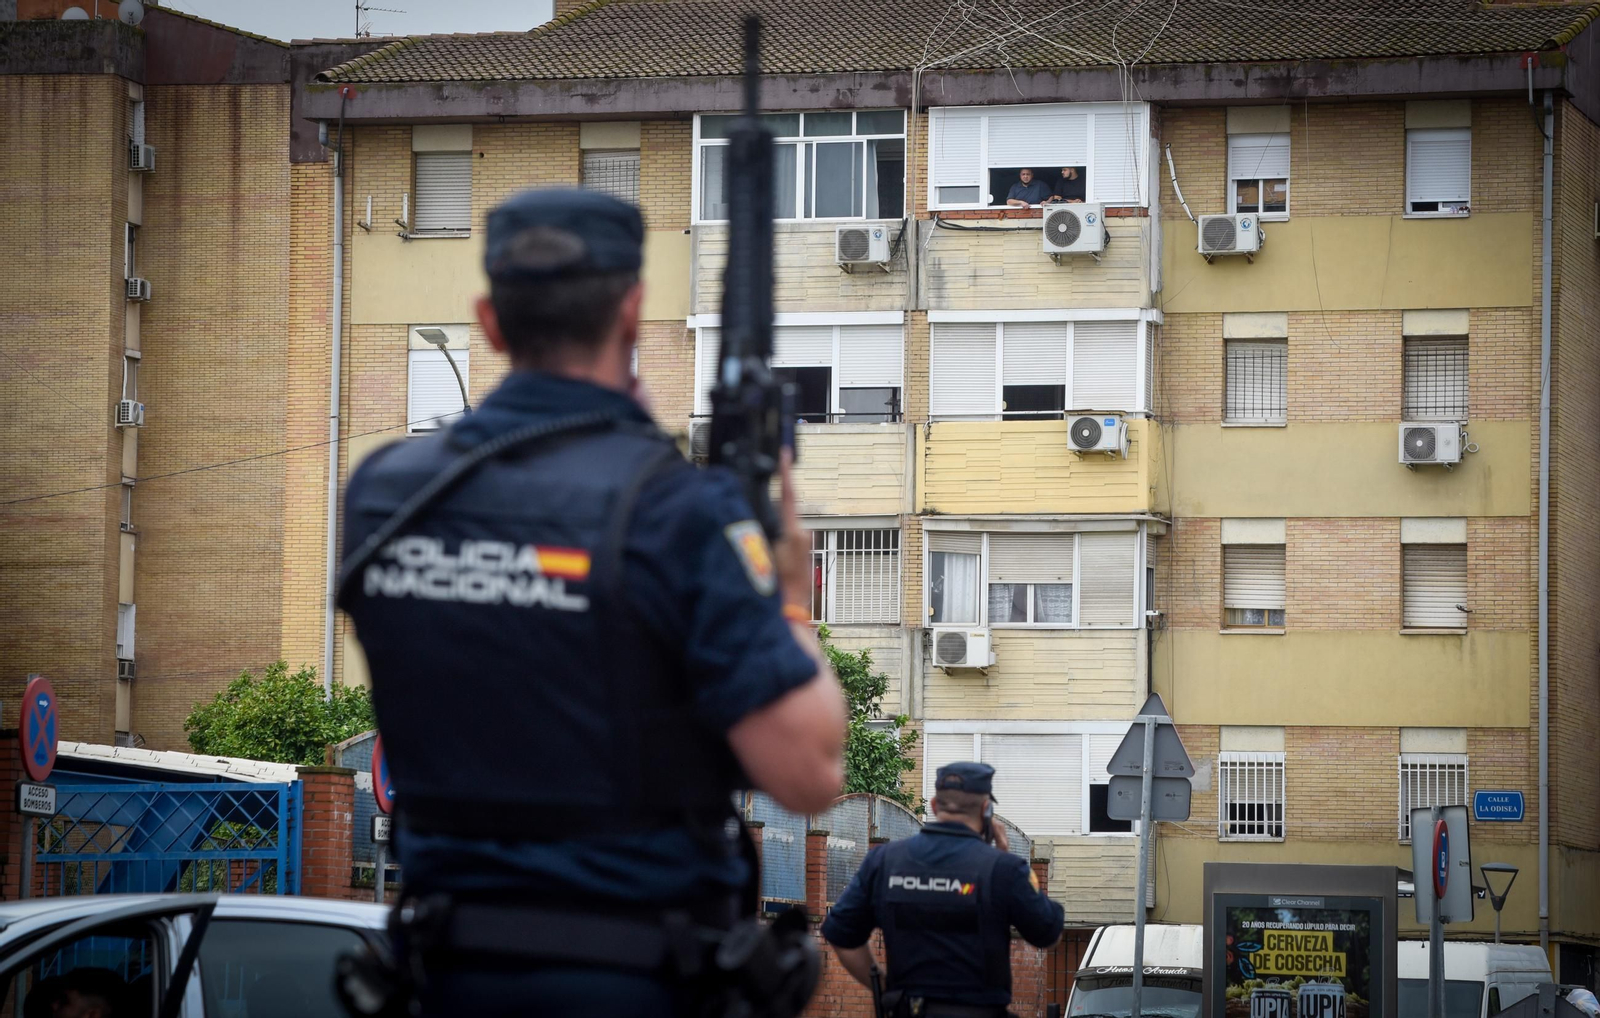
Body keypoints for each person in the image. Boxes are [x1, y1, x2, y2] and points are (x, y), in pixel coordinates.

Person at [339, 187, 847, 1016]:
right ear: (632, 311)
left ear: (490, 322)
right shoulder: (675, 511)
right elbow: (809, 772)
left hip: (440, 976)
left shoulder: (385, 493)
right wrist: (790, 598)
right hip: (631, 978)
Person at [821, 762, 1065, 1018]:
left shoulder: (884, 861)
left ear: (935, 805)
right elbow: (1049, 935)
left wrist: (886, 989)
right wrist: (1005, 858)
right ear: (986, 810)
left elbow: (841, 935)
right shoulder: (1005, 869)